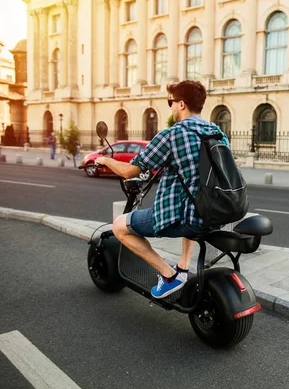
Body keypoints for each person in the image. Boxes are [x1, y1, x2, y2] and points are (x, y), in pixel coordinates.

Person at [95, 80, 229, 299]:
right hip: (214, 210)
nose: (171, 107)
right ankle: (183, 268)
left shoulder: (172, 135)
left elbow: (130, 171)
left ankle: (169, 276)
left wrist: (104, 160)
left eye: (171, 102)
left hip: (186, 216)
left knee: (120, 226)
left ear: (182, 104)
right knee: (192, 202)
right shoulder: (217, 132)